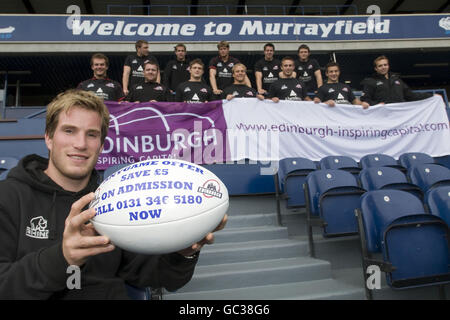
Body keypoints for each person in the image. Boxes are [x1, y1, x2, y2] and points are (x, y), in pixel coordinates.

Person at [0, 89, 227, 299]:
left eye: (91, 134)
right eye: (69, 131)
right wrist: (62, 258)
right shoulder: (8, 197)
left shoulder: (117, 203)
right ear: (49, 137)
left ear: (100, 145)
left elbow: (160, 278)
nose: (80, 144)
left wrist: (182, 251)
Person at [360, 55, 433, 106]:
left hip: (399, 116)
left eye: (385, 65)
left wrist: (431, 96)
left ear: (388, 66)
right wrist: (377, 105)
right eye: (380, 66)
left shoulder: (397, 80)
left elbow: (411, 96)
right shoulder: (370, 81)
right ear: (376, 68)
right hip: (382, 115)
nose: (383, 67)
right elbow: (365, 99)